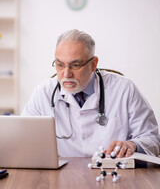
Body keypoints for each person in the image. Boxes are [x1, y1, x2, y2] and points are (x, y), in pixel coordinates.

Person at [21, 29, 160, 158]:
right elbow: (22, 138)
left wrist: (133, 145)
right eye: (60, 64)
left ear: (93, 64)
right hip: (62, 176)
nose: (66, 73)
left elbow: (152, 138)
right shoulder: (43, 93)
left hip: (113, 175)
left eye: (75, 65)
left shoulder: (124, 89)